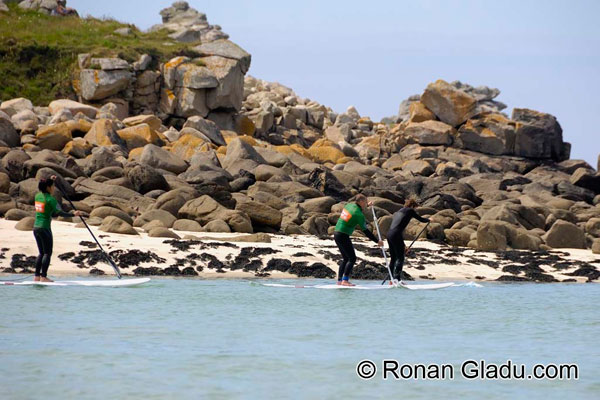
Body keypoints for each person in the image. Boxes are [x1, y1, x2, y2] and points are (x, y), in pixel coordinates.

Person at [33, 176, 81, 282]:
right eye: (53, 186)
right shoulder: (51, 199)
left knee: (41, 253)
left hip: (36, 227)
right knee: (47, 253)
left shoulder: (38, 196)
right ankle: (44, 277)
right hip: (45, 228)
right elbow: (59, 213)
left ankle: (37, 276)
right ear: (48, 188)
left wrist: (51, 180)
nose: (54, 188)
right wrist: (73, 214)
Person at [334, 194, 383, 286]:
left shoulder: (349, 205)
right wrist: (377, 241)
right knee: (352, 258)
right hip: (343, 235)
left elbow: (357, 208)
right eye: (365, 202)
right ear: (360, 202)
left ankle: (340, 280)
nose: (366, 204)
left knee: (345, 258)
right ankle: (345, 280)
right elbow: (366, 232)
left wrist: (368, 205)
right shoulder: (358, 214)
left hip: (336, 233)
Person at [387, 198, 430, 283]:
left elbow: (397, 229)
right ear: (412, 206)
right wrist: (429, 220)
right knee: (400, 258)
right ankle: (397, 279)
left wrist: (403, 245)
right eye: (415, 208)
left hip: (389, 235)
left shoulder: (399, 211)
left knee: (393, 258)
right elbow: (420, 219)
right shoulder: (410, 210)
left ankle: (391, 280)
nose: (415, 210)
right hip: (396, 235)